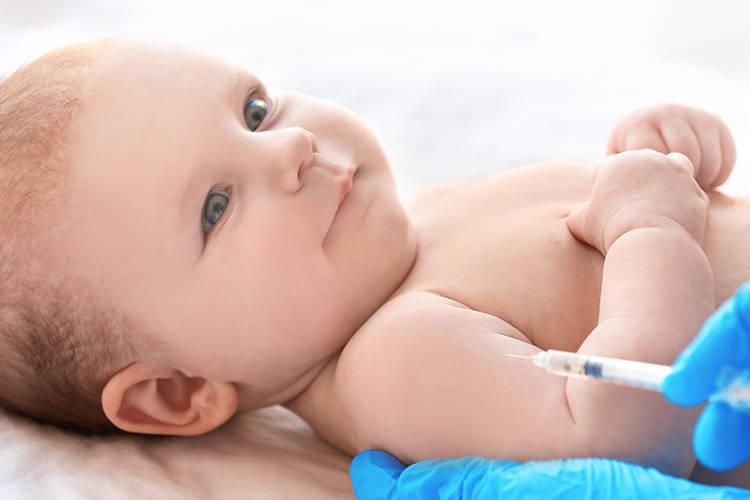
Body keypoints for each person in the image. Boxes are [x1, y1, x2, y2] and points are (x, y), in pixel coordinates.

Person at [0, 35, 747, 485]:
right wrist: (655, 228)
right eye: (215, 208)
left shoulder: (426, 219)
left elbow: (607, 221)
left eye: (254, 110)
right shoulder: (395, 357)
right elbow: (630, 434)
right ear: (175, 391)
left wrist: (662, 149)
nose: (290, 146)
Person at [349, 282, 750, 498]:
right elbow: (626, 436)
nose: (297, 142)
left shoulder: (430, 207)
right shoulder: (391, 346)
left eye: (283, 120)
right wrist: (652, 226)